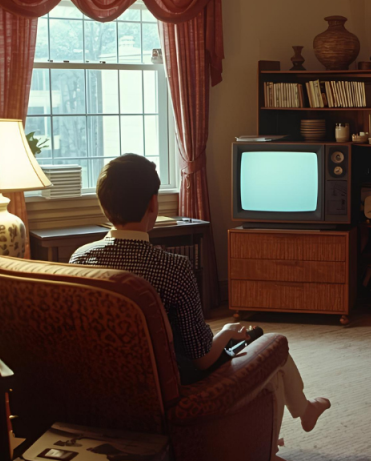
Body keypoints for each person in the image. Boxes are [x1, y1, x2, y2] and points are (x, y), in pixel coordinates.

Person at [69, 154, 330, 459]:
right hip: (177, 388)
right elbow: (203, 360)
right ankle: (280, 435)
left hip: (107, 388)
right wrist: (226, 332)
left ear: (104, 203)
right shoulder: (173, 268)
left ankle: (299, 414)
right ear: (153, 203)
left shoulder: (80, 258)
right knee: (271, 345)